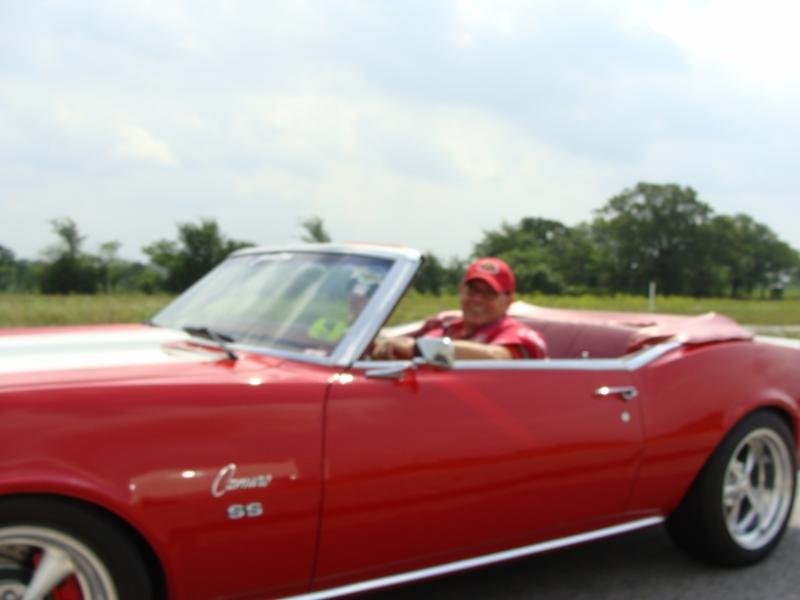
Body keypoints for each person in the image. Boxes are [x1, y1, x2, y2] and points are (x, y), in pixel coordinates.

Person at [372, 257, 548, 360]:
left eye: (489, 293)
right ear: (461, 291)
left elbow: (496, 357)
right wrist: (386, 348)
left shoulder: (520, 334)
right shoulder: (451, 328)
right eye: (472, 290)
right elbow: (412, 344)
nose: (477, 299)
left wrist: (418, 349)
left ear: (508, 301)